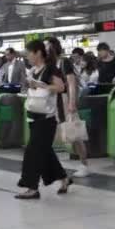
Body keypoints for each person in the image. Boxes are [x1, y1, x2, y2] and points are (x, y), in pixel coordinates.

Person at [16, 40, 72, 199]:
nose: (27, 57)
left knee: (32, 152)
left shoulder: (51, 69)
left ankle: (31, 187)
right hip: (34, 116)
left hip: (47, 119)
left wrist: (41, 85)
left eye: (29, 53)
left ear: (38, 53)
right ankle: (63, 178)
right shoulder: (33, 70)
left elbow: (61, 87)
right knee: (45, 152)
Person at [45, 37, 90, 178]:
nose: (45, 49)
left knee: (74, 134)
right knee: (50, 134)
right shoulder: (49, 65)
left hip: (64, 101)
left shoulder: (63, 62)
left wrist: (71, 103)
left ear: (53, 48)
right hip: (53, 103)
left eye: (47, 46)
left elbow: (71, 83)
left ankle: (84, 164)